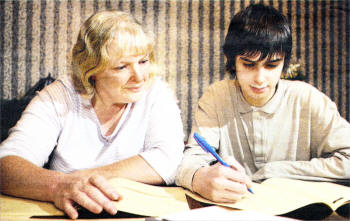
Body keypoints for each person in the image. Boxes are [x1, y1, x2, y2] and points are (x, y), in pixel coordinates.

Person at [0, 10, 184, 219]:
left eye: (143, 61)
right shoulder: (60, 95)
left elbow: (168, 160)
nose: (139, 77)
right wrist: (59, 185)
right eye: (122, 66)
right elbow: (6, 165)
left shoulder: (156, 92)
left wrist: (84, 179)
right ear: (91, 70)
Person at [175, 4, 350, 203]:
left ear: (285, 62)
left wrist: (275, 171)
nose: (260, 78)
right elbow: (190, 161)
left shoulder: (307, 99)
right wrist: (199, 178)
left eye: (272, 65)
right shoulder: (216, 97)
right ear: (232, 61)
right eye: (248, 65)